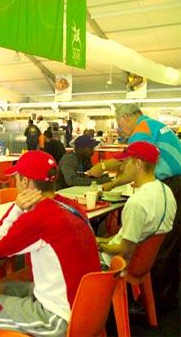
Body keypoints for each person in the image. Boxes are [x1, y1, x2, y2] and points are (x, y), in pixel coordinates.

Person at [0, 150, 100, 336]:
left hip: (58, 319)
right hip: (88, 308)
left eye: (16, 178)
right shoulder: (71, 205)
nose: (16, 183)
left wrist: (16, 208)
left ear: (25, 182)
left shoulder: (38, 218)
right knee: (5, 287)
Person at [88, 103, 181, 309]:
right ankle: (163, 299)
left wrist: (106, 175)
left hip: (172, 183)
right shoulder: (154, 125)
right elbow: (134, 165)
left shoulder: (141, 131)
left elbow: (129, 165)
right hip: (174, 186)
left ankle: (152, 301)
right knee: (170, 245)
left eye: (121, 125)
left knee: (163, 250)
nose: (121, 130)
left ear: (127, 117)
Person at [97, 141, 176, 268]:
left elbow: (125, 250)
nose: (122, 168)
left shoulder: (137, 203)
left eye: (125, 162)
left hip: (117, 264)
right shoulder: (166, 191)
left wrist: (98, 245)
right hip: (144, 263)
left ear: (138, 164)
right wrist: (102, 240)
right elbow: (134, 237)